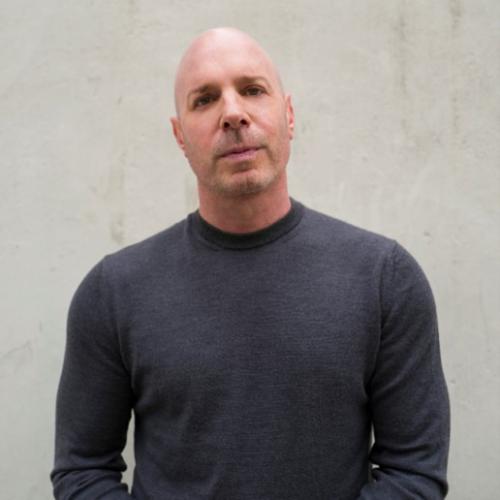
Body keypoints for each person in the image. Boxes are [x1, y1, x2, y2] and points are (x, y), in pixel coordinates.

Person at [51, 27, 450, 499]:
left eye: (253, 90)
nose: (233, 113)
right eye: (204, 100)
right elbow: (82, 471)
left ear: (288, 115)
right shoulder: (114, 292)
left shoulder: (384, 279)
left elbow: (414, 472)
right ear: (180, 136)